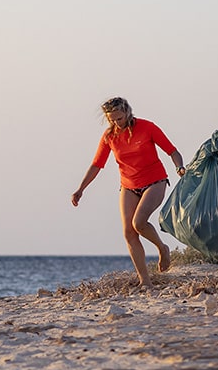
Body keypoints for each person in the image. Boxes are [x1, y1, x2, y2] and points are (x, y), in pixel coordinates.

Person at [71, 97, 185, 288]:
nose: (117, 123)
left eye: (119, 118)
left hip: (155, 181)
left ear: (127, 112)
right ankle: (145, 281)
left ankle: (162, 248)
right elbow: (97, 165)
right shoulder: (109, 136)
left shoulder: (147, 127)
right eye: (112, 120)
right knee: (128, 232)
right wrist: (80, 189)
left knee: (138, 223)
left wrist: (179, 167)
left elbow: (172, 151)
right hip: (128, 185)